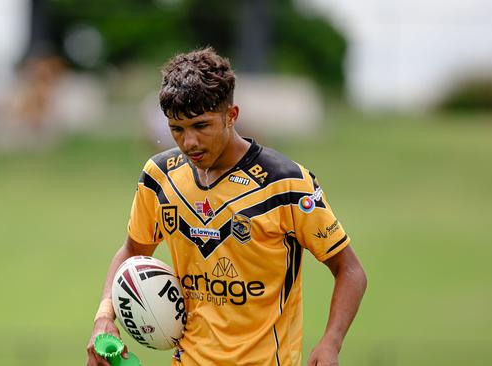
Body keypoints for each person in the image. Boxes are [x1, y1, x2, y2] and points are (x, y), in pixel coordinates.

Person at [86, 47, 367, 366]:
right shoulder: (159, 177)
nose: (188, 142)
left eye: (201, 126)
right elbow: (132, 251)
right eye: (176, 129)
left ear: (231, 116)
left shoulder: (285, 184)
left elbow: (351, 270)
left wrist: (331, 342)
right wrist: (104, 317)